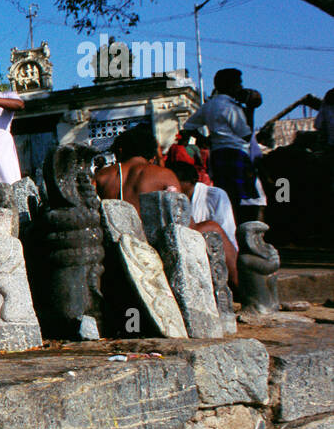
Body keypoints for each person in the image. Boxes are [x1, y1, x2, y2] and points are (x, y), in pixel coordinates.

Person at [184, 68, 260, 219]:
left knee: (226, 196)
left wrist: (204, 140)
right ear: (230, 85)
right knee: (242, 199)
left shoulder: (209, 105)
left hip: (218, 154)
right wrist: (250, 110)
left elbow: (188, 126)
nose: (241, 87)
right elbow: (246, 135)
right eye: (239, 83)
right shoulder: (231, 107)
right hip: (236, 153)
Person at [169, 159, 239, 285]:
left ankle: (237, 281)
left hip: (211, 247)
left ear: (192, 182)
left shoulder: (214, 195)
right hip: (184, 248)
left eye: (178, 182)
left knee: (212, 228)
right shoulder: (170, 195)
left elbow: (226, 232)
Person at [94, 124, 180, 206]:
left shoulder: (102, 176)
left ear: (120, 151)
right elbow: (181, 214)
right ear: (152, 156)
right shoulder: (164, 175)